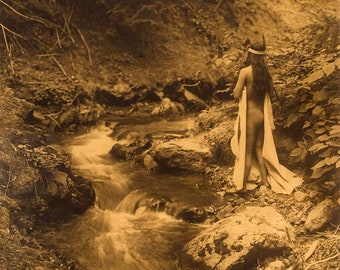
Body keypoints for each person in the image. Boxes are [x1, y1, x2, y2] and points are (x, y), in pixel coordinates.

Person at [230, 36, 303, 194]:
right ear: (262, 56)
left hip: (249, 116)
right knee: (259, 149)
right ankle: (264, 182)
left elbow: (236, 94)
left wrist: (241, 90)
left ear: (250, 54)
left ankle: (241, 186)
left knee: (247, 152)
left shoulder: (245, 72)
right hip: (261, 116)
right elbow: (268, 94)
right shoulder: (265, 74)